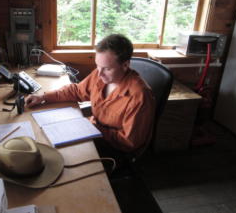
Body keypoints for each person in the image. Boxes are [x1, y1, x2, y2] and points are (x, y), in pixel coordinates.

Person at [25, 34, 155, 154]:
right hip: (96, 130)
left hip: (116, 148)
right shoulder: (101, 75)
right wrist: (43, 97)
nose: (99, 73)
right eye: (97, 66)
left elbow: (129, 142)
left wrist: (93, 127)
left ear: (125, 65)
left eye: (107, 68)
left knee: (62, 154)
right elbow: (76, 91)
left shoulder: (139, 96)